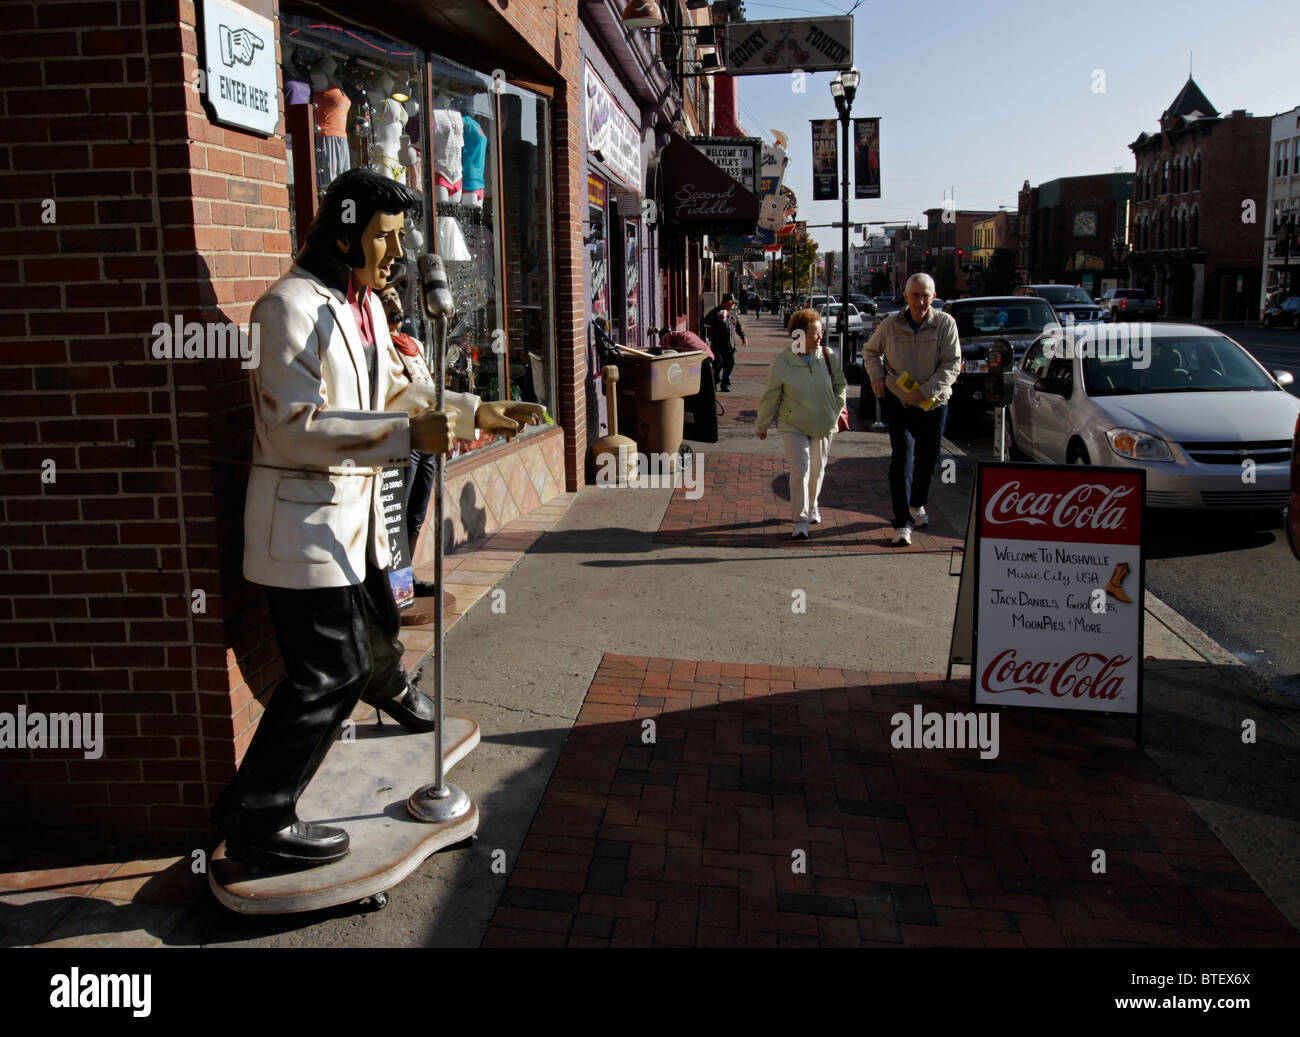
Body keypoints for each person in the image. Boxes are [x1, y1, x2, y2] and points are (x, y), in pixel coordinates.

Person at [213, 168, 544, 868]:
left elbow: (396, 386)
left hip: (348, 527)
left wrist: (475, 409)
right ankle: (257, 818)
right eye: (385, 238)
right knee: (328, 672)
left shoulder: (359, 305)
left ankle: (263, 805)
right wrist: (403, 439)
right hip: (301, 531)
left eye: (398, 240)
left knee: (364, 647)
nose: (396, 254)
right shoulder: (287, 308)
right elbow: (292, 428)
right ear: (345, 230)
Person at [863, 272, 961, 547]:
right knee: (902, 458)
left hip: (934, 402)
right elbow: (871, 352)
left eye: (925, 295)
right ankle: (902, 523)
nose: (920, 301)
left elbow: (952, 363)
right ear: (905, 297)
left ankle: (917, 503)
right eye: (915, 295)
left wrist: (926, 391)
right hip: (899, 401)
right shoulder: (890, 324)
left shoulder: (945, 324)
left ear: (934, 295)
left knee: (929, 459)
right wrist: (876, 376)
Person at [755, 308, 848, 539]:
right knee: (801, 470)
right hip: (793, 423)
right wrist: (762, 424)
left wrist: (835, 409)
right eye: (815, 333)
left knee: (817, 470)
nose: (820, 337)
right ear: (799, 335)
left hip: (824, 423)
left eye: (821, 332)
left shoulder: (828, 356)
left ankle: (813, 505)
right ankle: (800, 520)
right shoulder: (782, 361)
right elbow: (771, 395)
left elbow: (841, 385)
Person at [702, 292, 746, 393]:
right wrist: (716, 319)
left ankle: (725, 384)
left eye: (733, 303)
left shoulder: (732, 313)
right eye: (731, 303)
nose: (732, 305)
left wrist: (743, 337)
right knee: (718, 362)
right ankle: (715, 379)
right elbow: (705, 321)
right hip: (717, 344)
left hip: (730, 344)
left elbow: (738, 326)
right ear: (724, 303)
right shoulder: (716, 311)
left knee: (730, 364)